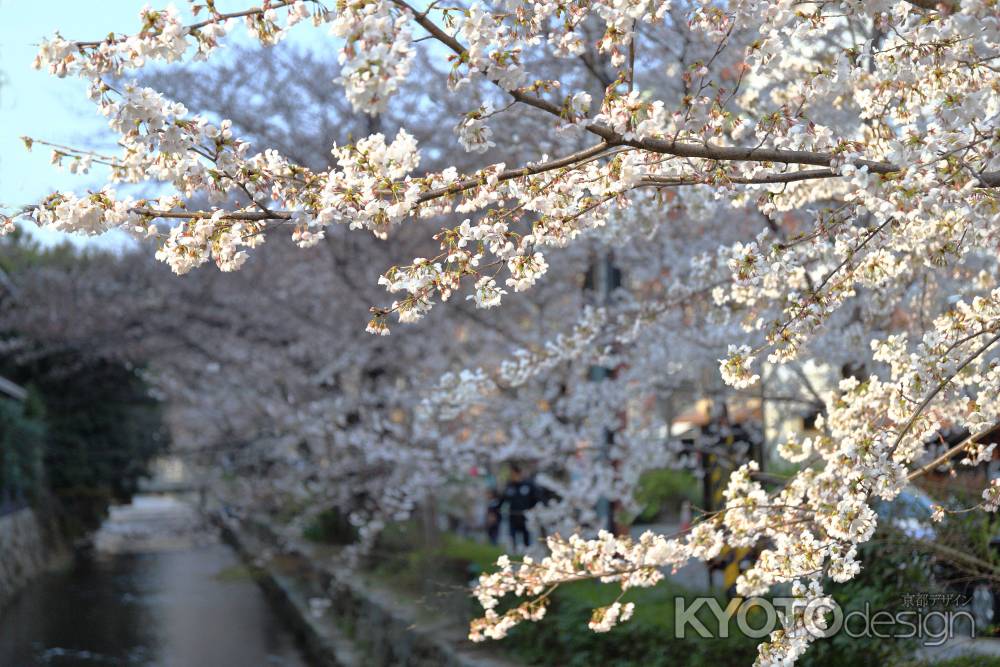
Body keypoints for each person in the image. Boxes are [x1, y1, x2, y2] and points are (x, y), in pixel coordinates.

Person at [500, 463, 540, 548]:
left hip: (525, 516)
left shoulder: (528, 485)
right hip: (513, 515)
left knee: (526, 536)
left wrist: (533, 510)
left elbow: (536, 499)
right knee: (512, 536)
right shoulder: (509, 486)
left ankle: (526, 551)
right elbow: (503, 499)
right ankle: (513, 552)